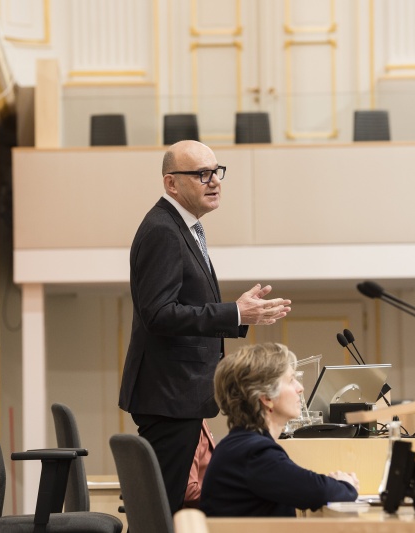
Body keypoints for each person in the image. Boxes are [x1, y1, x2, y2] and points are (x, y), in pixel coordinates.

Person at [118, 140, 291, 514]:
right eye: (201, 174)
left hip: (177, 394)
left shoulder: (183, 227)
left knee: (167, 508)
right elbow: (159, 314)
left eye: (216, 171)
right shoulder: (164, 230)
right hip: (168, 394)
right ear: (171, 183)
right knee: (159, 512)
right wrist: (233, 313)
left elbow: (184, 308)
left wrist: (240, 315)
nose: (214, 181)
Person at [201, 342, 359, 517]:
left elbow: (308, 484)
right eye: (291, 380)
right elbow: (322, 492)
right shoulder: (255, 454)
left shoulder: (240, 445)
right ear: (267, 398)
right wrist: (346, 483)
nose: (300, 388)